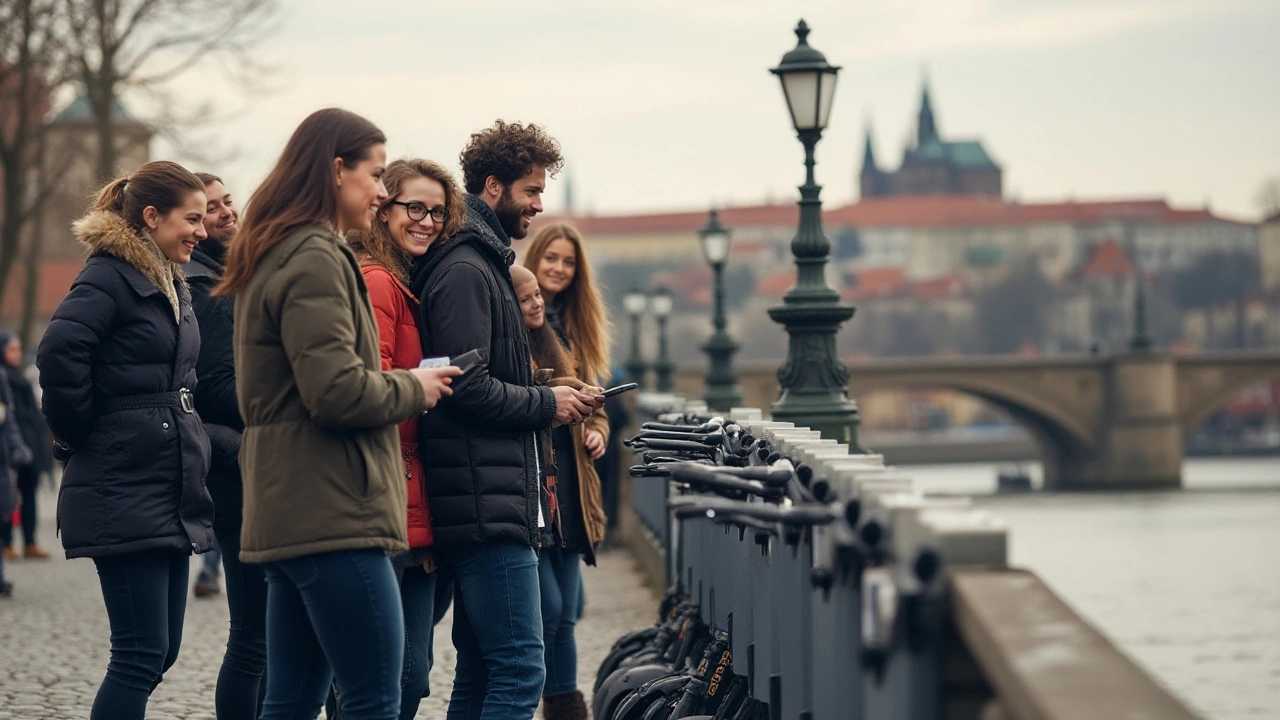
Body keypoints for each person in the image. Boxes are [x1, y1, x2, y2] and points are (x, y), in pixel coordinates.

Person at [215, 107, 460, 720]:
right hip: (334, 510)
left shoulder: (273, 248)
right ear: (335, 170)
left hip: (291, 507)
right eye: (375, 174)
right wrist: (415, 387)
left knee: (292, 700)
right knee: (374, 697)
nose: (382, 193)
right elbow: (337, 393)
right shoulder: (315, 255)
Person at [408, 120, 601, 720]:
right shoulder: (468, 269)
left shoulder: (482, 262)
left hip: (486, 493)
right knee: (520, 667)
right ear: (493, 186)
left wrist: (554, 390)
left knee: (484, 667)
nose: (539, 205)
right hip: (483, 500)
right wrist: (549, 404)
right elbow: (466, 387)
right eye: (531, 191)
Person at [36, 160, 216, 720]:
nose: (203, 232)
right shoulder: (110, 274)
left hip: (166, 484)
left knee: (160, 652)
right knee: (139, 654)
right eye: (192, 218)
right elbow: (59, 353)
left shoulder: (167, 278)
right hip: (125, 481)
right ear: (151, 216)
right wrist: (84, 432)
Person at [336, 158, 465, 720]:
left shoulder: (404, 283)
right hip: (384, 497)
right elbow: (372, 386)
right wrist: (428, 387)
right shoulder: (379, 282)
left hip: (411, 501)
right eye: (415, 207)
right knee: (386, 678)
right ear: (383, 210)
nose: (427, 221)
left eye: (438, 211)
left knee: (404, 677)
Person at [187, 170, 270, 719]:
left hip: (258, 467)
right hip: (243, 473)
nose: (226, 213)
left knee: (265, 638)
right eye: (209, 209)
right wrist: (288, 405)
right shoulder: (206, 288)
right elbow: (217, 389)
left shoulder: (233, 275)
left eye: (227, 201)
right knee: (254, 639)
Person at [522, 223, 612, 719]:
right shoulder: (519, 317)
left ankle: (561, 706)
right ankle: (557, 704)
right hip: (537, 480)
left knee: (568, 611)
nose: (558, 268)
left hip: (574, 481)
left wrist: (596, 426)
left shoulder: (576, 326)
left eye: (568, 262)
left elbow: (592, 398)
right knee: (552, 608)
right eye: (551, 258)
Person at [1, 332, 52, 560]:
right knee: (9, 496)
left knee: (29, 494)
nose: (17, 354)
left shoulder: (21, 378)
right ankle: (6, 543)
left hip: (29, 446)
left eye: (18, 349)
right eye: (12, 349)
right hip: (10, 447)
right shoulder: (5, 378)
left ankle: (30, 541)